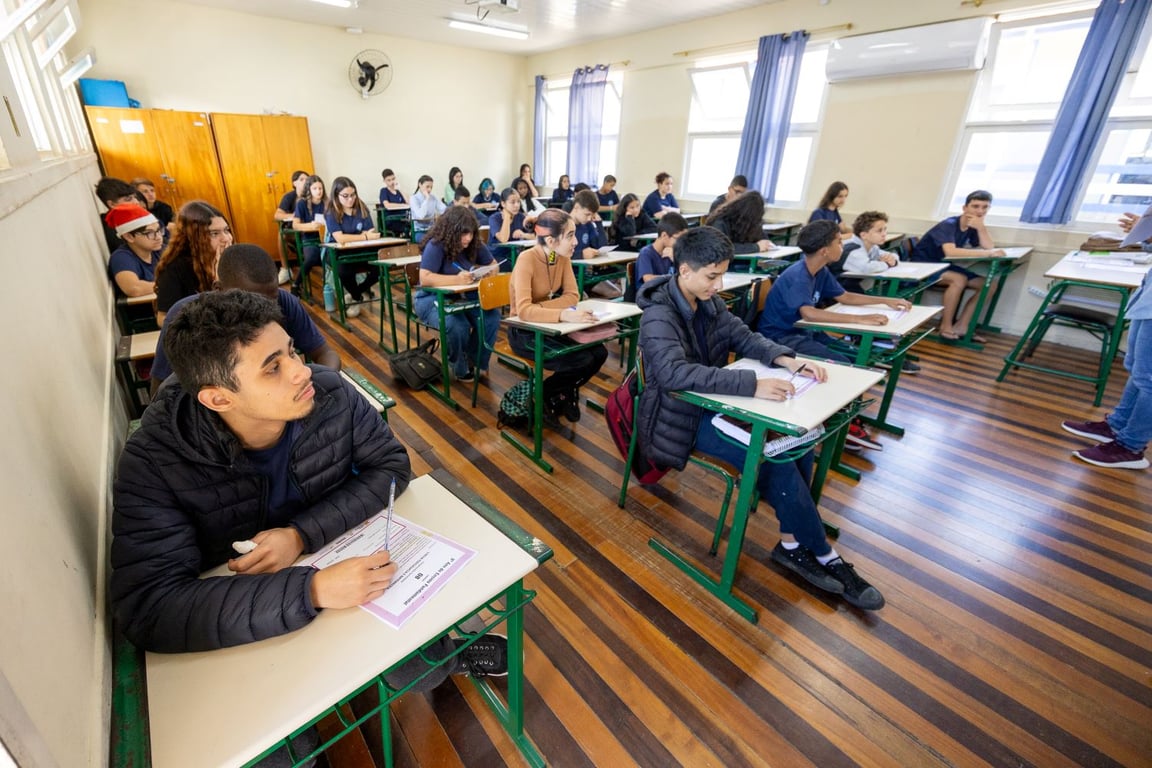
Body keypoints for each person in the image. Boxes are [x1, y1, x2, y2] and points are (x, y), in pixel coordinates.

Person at [111, 290, 506, 766]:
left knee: (416, 659)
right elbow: (149, 605)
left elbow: (390, 467)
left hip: (336, 558)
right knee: (281, 748)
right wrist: (311, 589)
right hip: (245, 604)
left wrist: (300, 535)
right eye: (272, 367)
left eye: (292, 351)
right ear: (218, 398)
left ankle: (443, 657)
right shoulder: (154, 461)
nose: (302, 371)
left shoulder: (331, 394)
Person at [636, 225, 884, 610]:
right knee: (776, 462)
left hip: (717, 403)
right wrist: (751, 384)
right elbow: (673, 375)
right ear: (683, 271)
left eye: (721, 275)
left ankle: (791, 543)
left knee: (799, 444)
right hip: (682, 417)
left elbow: (743, 335)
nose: (718, 285)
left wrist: (786, 358)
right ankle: (824, 555)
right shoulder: (658, 315)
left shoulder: (708, 302)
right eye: (711, 276)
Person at [757, 220, 911, 452]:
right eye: (839, 241)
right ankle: (839, 423)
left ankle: (845, 413)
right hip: (781, 338)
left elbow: (845, 296)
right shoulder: (798, 275)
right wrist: (861, 320)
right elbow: (808, 314)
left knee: (854, 356)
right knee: (843, 364)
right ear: (824, 250)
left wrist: (885, 301)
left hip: (804, 332)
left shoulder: (819, 270)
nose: (844, 245)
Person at [151, 243, 340, 393]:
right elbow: (161, 386)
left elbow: (326, 354)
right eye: (247, 300)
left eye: (271, 299)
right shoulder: (186, 317)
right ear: (219, 290)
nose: (262, 309)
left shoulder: (285, 302)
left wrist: (318, 385)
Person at [1061, 212, 1151, 470]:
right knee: (1137, 369)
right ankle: (1117, 426)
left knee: (1149, 379)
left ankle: (1130, 447)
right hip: (1147, 301)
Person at [508, 209, 608, 425]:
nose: (575, 242)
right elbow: (524, 311)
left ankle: (554, 394)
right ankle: (551, 395)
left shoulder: (558, 257)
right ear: (551, 240)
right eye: (570, 236)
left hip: (550, 326)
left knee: (599, 353)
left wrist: (544, 309)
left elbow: (573, 296)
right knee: (580, 360)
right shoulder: (526, 260)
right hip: (524, 332)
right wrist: (561, 313)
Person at [415, 206, 501, 382]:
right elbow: (425, 278)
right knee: (457, 325)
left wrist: (487, 273)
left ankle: (476, 361)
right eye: (463, 234)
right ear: (451, 231)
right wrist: (457, 279)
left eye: (471, 233)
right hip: (430, 298)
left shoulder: (474, 243)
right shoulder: (436, 245)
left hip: (462, 297)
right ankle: (459, 365)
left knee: (491, 317)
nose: (468, 238)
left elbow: (494, 264)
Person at [910, 190, 1005, 342]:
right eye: (975, 206)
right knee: (958, 279)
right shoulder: (948, 225)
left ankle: (962, 326)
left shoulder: (974, 226)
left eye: (985, 207)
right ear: (964, 208)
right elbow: (950, 251)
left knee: (989, 284)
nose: (980, 211)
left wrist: (981, 228)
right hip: (923, 266)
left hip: (943, 266)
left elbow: (988, 247)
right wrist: (988, 254)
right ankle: (945, 327)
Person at [154, 201, 233, 324]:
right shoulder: (175, 267)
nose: (226, 238)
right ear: (195, 237)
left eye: (226, 230)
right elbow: (163, 318)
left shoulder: (233, 259)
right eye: (214, 233)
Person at [324, 176, 379, 318]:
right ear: (336, 195)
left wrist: (362, 236)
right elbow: (340, 238)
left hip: (359, 251)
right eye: (345, 196)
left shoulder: (361, 206)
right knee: (344, 270)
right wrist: (364, 236)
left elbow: (371, 231)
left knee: (380, 267)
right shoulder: (331, 211)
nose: (350, 199)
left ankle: (356, 295)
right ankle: (357, 297)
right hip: (337, 253)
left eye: (353, 195)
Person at [105, 203, 163, 298]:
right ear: (129, 237)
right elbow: (134, 288)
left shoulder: (159, 250)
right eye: (149, 233)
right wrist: (171, 285)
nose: (158, 237)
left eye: (159, 230)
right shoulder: (121, 257)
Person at [705, 190, 775, 256]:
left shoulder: (746, 223)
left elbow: (762, 237)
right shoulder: (720, 221)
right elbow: (722, 248)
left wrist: (766, 243)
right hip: (720, 264)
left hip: (740, 262)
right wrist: (756, 247)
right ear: (747, 214)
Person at [290, 174, 327, 296]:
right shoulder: (302, 204)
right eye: (315, 189)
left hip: (326, 239)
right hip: (309, 239)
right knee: (311, 258)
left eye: (320, 188)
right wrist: (311, 226)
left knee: (331, 257)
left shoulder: (327, 203)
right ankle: (296, 283)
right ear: (309, 190)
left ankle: (331, 284)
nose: (318, 191)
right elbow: (295, 225)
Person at [273, 170, 310, 284]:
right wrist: (294, 215)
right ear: (294, 183)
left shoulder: (313, 194)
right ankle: (285, 270)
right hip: (294, 232)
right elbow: (277, 215)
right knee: (281, 234)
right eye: (301, 179)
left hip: (309, 231)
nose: (305, 182)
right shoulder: (289, 197)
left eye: (307, 179)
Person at [634, 213, 689, 287]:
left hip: (668, 293)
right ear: (664, 236)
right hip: (650, 295)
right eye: (678, 239)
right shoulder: (646, 253)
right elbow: (648, 279)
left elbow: (687, 275)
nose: (682, 242)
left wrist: (675, 259)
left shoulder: (674, 252)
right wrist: (673, 278)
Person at [96, 176, 145, 254]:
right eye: (128, 199)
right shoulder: (113, 228)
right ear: (112, 204)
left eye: (134, 197)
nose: (136, 202)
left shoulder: (134, 217)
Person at [411, 174, 447, 243]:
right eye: (427, 187)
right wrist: (427, 199)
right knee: (430, 242)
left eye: (431, 187)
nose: (429, 189)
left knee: (445, 240)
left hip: (432, 230)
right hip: (418, 231)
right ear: (420, 185)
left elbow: (444, 210)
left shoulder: (433, 197)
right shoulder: (413, 198)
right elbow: (420, 215)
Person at [378, 168, 410, 238]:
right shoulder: (384, 191)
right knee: (407, 229)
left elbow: (409, 203)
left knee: (412, 225)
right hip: (391, 220)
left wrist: (400, 189)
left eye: (393, 179)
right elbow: (387, 205)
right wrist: (402, 205)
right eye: (389, 180)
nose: (392, 182)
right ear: (384, 181)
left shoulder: (398, 191)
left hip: (403, 219)